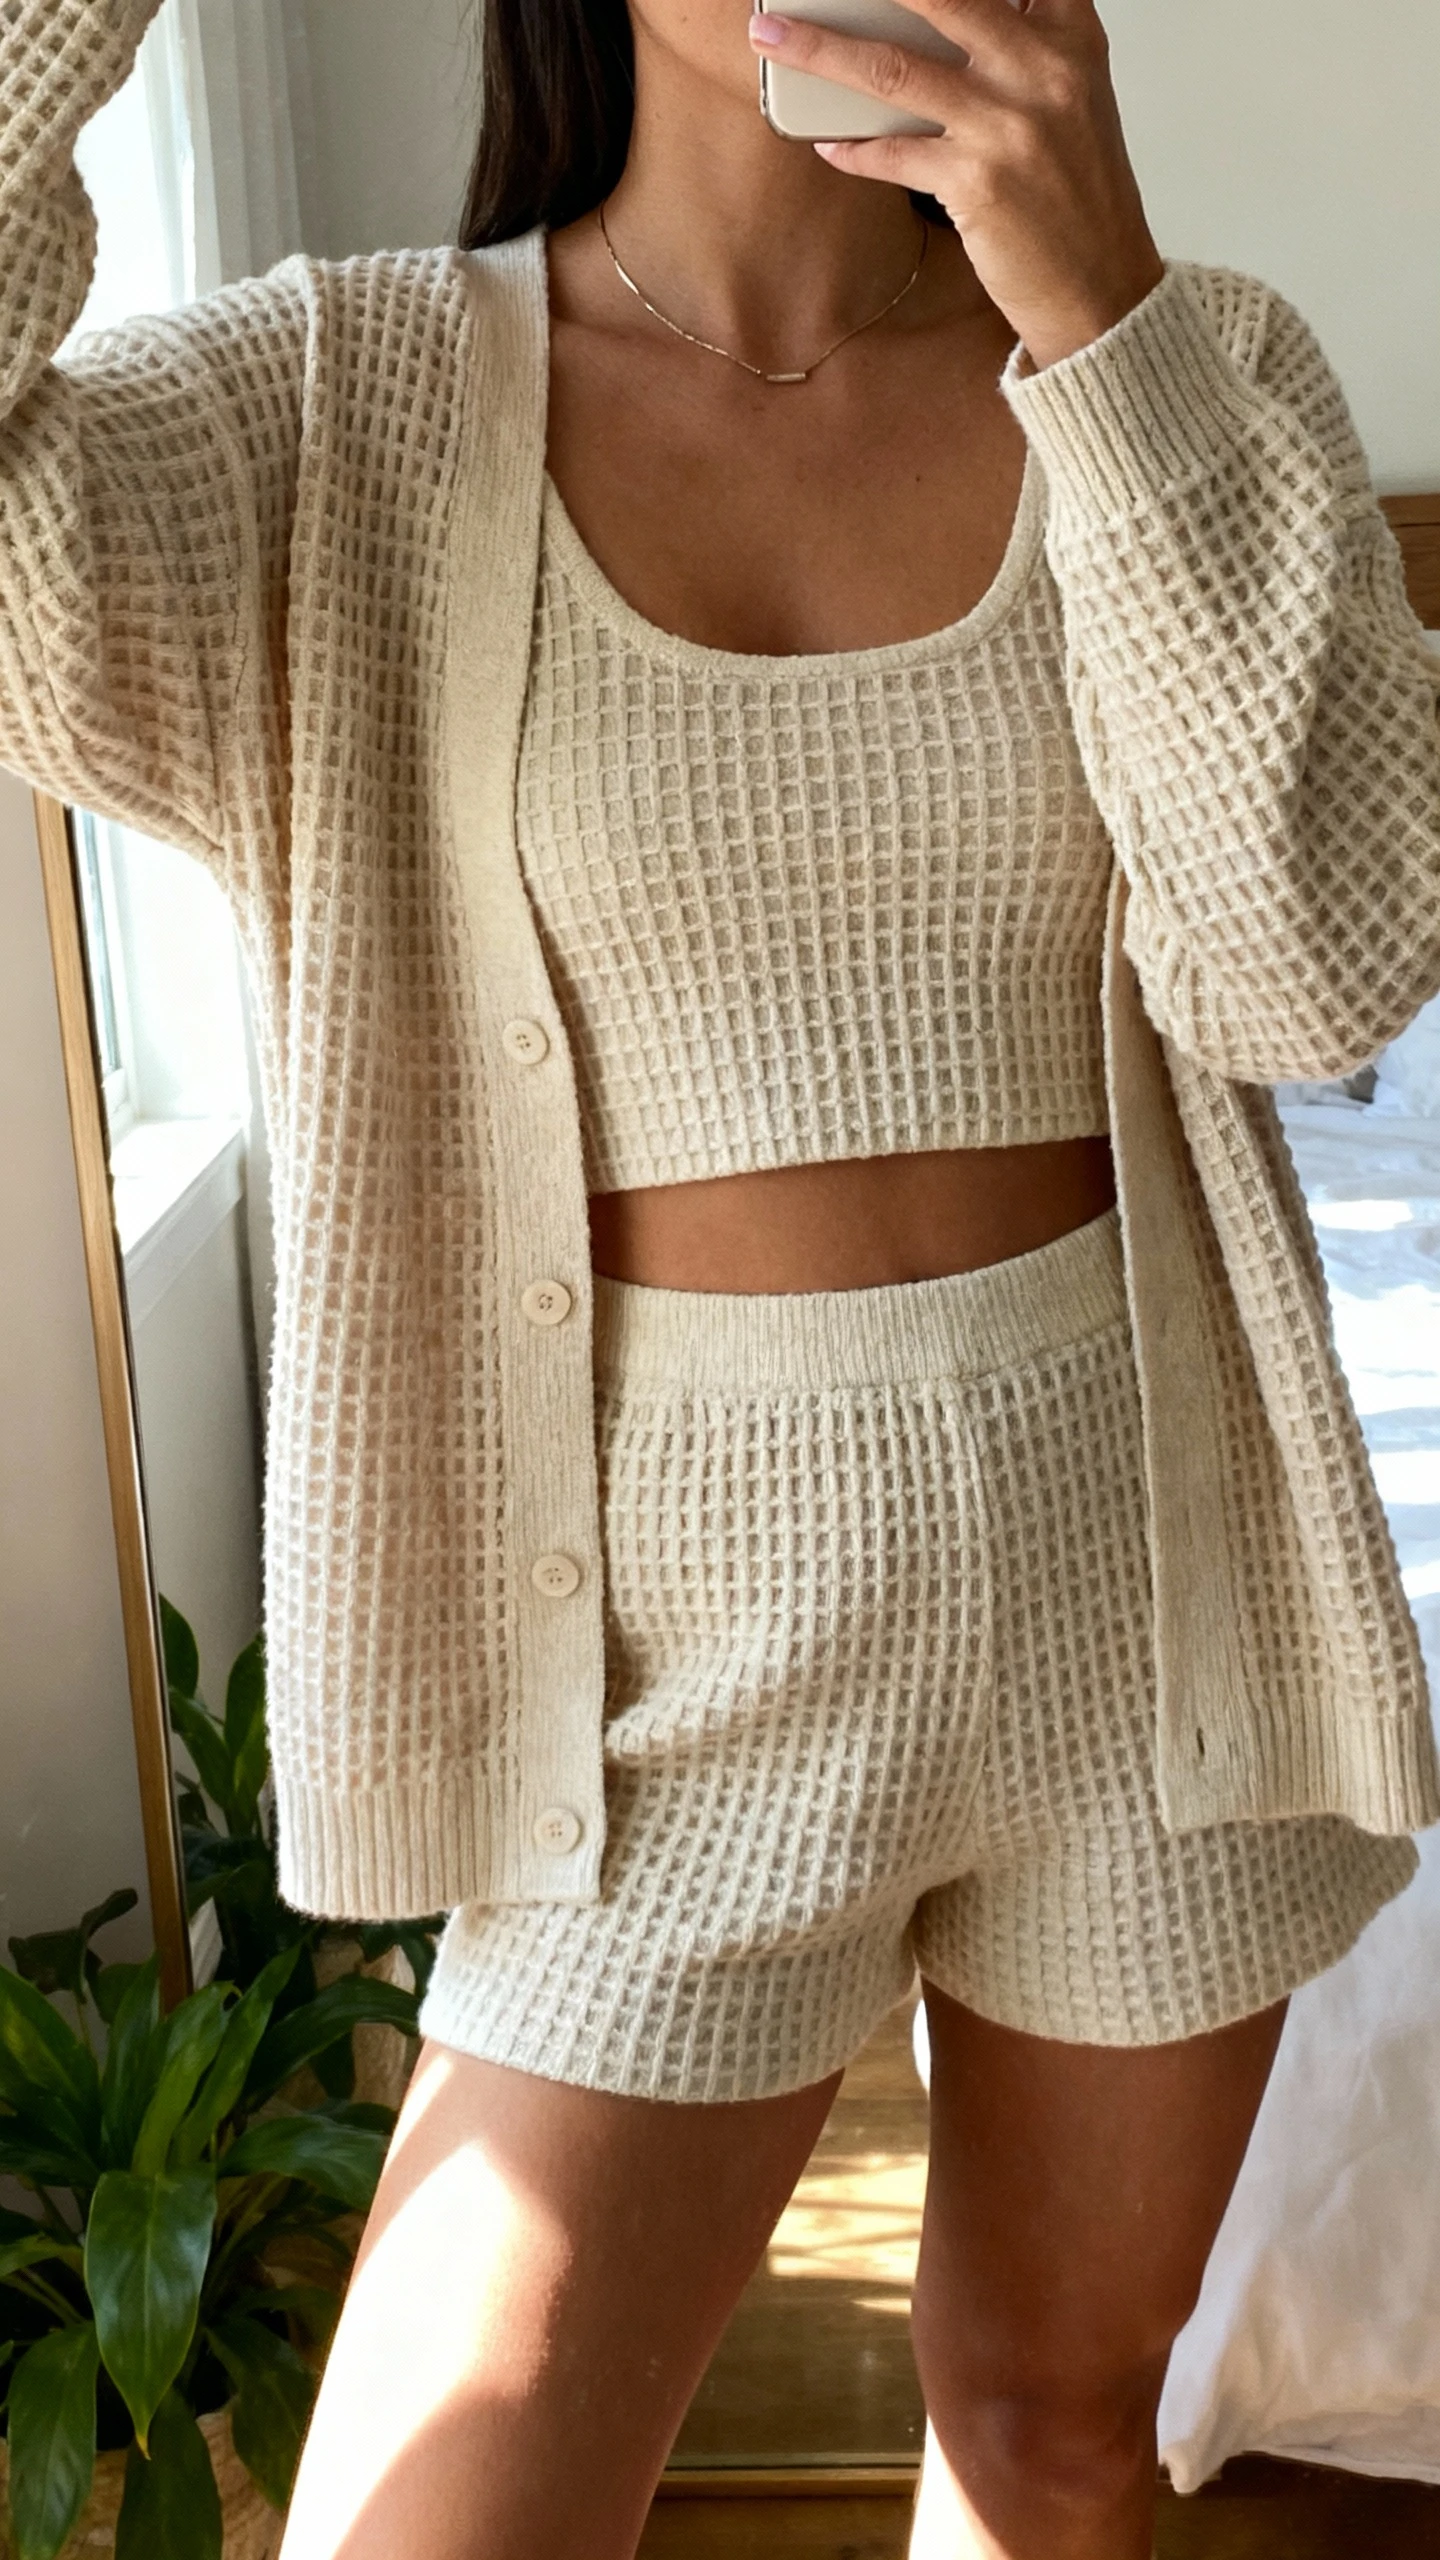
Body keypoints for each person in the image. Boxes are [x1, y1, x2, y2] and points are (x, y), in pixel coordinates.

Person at [2, 1, 1438, 2555]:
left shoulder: (1199, 364)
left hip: (1149, 1597)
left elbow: (1315, 969)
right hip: (658, 1667)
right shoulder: (338, 409)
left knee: (1061, 2435)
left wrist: (1097, 315)